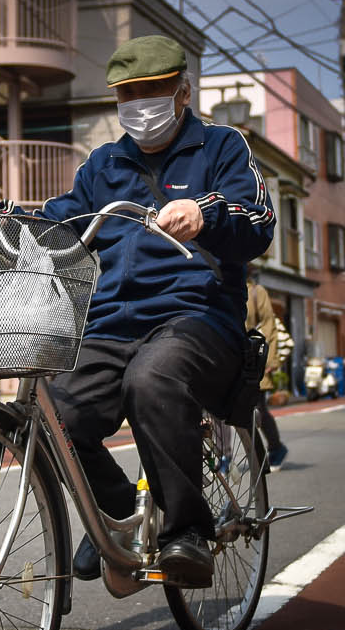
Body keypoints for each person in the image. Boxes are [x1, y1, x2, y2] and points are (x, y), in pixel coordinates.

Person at [35, 35, 275, 588]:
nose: (137, 105)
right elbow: (65, 222)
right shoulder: (104, 164)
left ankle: (186, 532)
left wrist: (205, 211)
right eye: (127, 95)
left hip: (198, 317)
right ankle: (116, 520)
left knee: (153, 378)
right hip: (112, 323)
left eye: (151, 91)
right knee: (58, 412)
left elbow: (258, 220)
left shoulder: (222, 147)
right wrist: (6, 229)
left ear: (182, 92)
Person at [244, 272, 291, 468]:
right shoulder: (220, 283)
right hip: (233, 356)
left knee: (257, 408)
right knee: (242, 410)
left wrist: (269, 360)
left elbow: (269, 325)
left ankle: (275, 447)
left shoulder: (256, 291)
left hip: (254, 357)